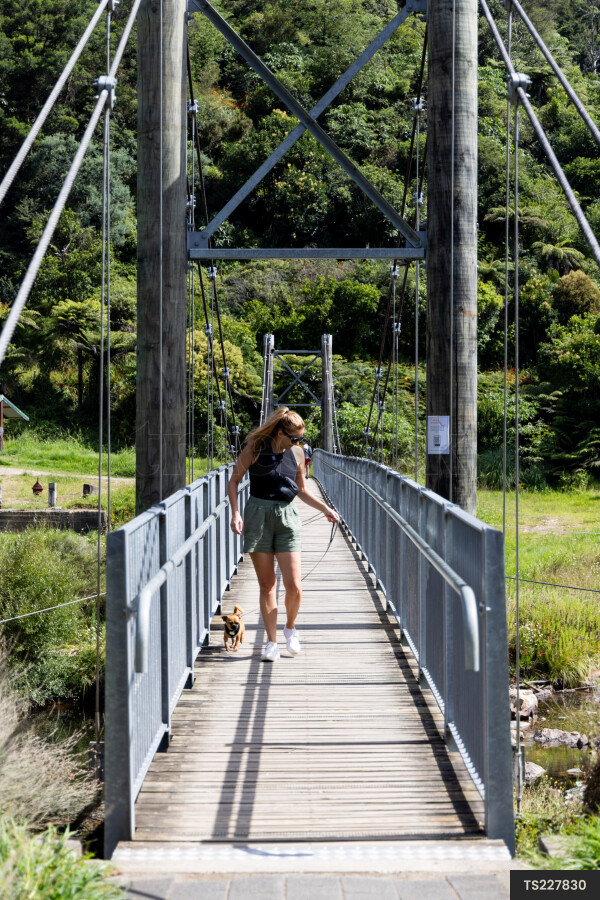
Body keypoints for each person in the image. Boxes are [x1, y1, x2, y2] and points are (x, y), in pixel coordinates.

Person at [228, 407, 339, 662]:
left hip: (287, 518)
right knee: (267, 585)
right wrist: (235, 513)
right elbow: (234, 481)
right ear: (280, 432)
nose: (299, 443)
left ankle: (290, 628)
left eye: (301, 439)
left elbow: (301, 490)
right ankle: (272, 643)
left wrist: (325, 509)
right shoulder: (256, 448)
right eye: (295, 438)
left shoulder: (297, 454)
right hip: (258, 516)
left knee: (295, 586)